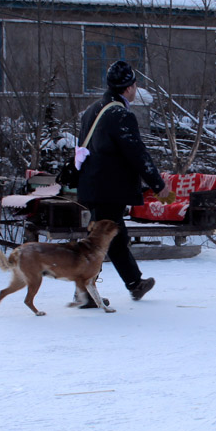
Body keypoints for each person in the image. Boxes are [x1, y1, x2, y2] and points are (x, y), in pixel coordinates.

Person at [76, 60, 171, 304]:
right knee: (101, 240)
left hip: (92, 186)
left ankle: (134, 283)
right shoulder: (120, 114)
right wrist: (158, 184)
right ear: (129, 87)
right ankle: (85, 293)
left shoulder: (92, 110)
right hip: (109, 189)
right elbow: (136, 152)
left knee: (114, 236)